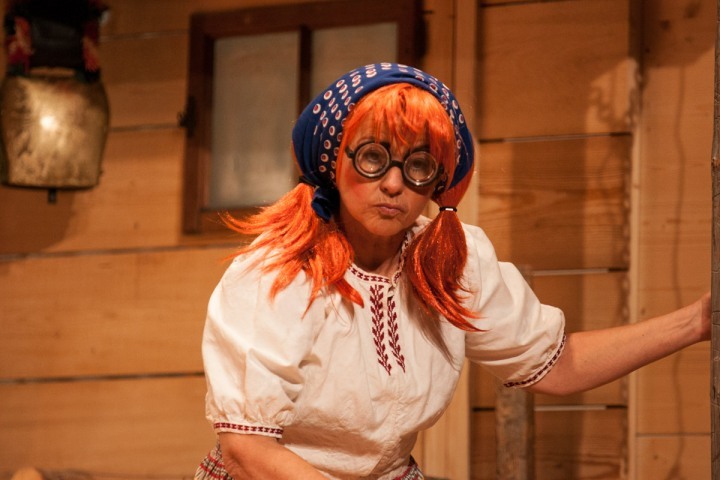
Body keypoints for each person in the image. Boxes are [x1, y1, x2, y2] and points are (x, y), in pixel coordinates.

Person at [194, 63, 710, 480]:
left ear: (437, 182)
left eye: (418, 166)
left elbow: (556, 364)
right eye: (373, 157)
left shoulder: (450, 263)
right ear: (334, 161)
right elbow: (247, 449)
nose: (394, 184)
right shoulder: (278, 272)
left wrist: (697, 321)